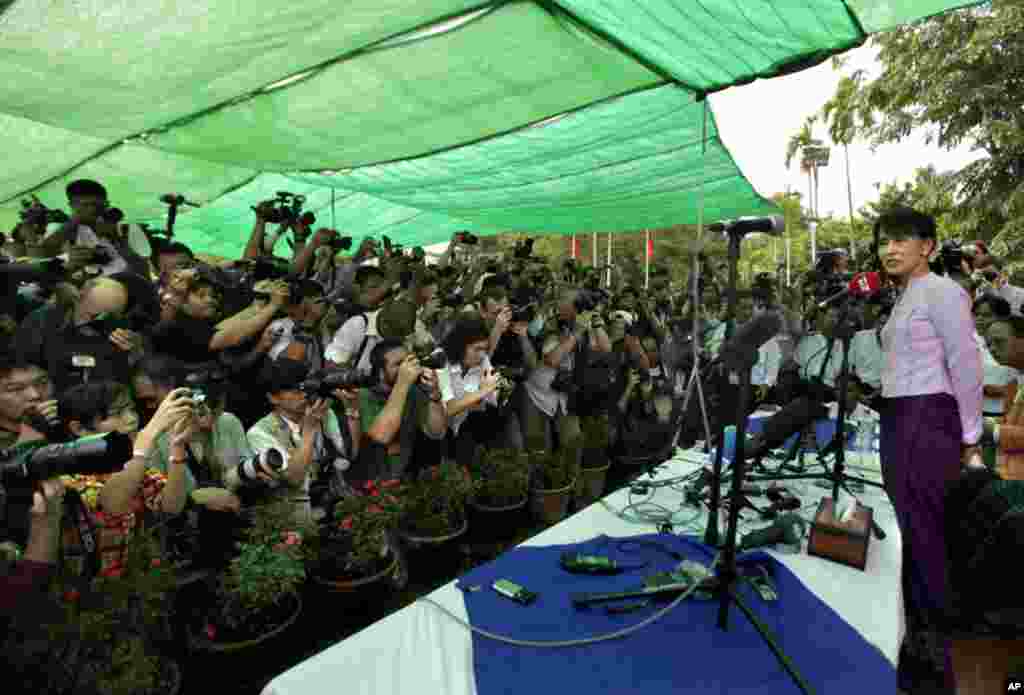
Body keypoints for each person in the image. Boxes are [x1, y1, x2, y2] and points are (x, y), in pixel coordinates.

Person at [875, 206, 983, 693]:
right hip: (898, 418)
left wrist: (970, 437)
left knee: (927, 536)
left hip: (928, 418)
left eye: (901, 239)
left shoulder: (942, 291)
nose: (890, 249)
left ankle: (935, 661)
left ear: (928, 247)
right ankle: (915, 643)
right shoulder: (904, 297)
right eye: (885, 241)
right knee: (910, 532)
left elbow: (965, 363)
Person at [246, 359, 359, 523]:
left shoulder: (323, 414)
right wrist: (309, 431)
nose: (304, 394)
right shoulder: (259, 433)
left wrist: (352, 408)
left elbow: (350, 454)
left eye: (305, 387)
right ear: (273, 397)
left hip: (332, 508)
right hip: (291, 519)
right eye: (294, 390)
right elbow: (294, 478)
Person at [353, 339, 447, 481]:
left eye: (407, 362)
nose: (405, 368)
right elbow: (378, 439)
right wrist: (402, 383)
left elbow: (436, 432)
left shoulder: (413, 392)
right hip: (366, 482)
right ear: (380, 371)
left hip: (400, 479)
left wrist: (434, 395)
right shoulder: (360, 396)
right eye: (398, 364)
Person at [438, 317, 523, 467]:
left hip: (465, 427)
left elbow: (491, 397)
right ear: (460, 345)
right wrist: (483, 391)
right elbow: (448, 408)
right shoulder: (440, 359)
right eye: (477, 349)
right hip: (436, 432)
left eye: (485, 349)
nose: (482, 355)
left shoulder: (481, 360)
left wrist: (501, 390)